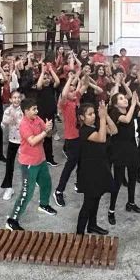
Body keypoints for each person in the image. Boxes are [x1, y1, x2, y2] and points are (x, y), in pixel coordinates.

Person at [5, 97, 57, 231]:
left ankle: (44, 205)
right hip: (29, 164)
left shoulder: (37, 119)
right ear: (26, 111)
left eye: (36, 108)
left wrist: (49, 128)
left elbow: (48, 134)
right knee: (27, 192)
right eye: (34, 109)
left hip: (41, 160)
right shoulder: (24, 124)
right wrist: (45, 132)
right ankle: (12, 220)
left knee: (46, 183)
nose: (36, 111)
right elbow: (32, 141)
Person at [76, 102, 114, 235]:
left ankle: (92, 225)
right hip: (89, 172)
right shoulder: (84, 130)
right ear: (82, 117)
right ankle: (79, 233)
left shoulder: (97, 126)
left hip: (100, 168)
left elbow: (114, 130)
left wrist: (106, 115)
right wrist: (102, 119)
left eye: (94, 113)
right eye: (89, 114)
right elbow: (102, 138)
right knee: (88, 203)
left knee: (97, 198)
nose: (93, 116)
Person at [108, 91, 140, 225]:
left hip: (132, 148)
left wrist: (137, 102)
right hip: (119, 150)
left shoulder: (130, 110)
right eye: (121, 99)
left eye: (125, 98)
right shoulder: (115, 113)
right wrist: (133, 104)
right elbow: (127, 120)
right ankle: (111, 210)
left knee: (133, 178)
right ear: (115, 104)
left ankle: (131, 203)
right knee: (117, 182)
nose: (125, 100)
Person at [54, 72, 84, 207]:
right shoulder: (64, 103)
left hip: (80, 136)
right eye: (71, 91)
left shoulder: (76, 101)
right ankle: (59, 191)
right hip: (71, 138)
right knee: (70, 165)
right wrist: (71, 78)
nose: (74, 92)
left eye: (74, 90)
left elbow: (84, 85)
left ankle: (79, 183)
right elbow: (64, 94)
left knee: (81, 161)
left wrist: (82, 75)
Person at [0, 90, 23, 200]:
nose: (16, 99)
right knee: (9, 165)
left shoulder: (24, 110)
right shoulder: (8, 110)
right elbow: (3, 124)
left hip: (24, 141)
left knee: (28, 163)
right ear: (10, 99)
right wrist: (9, 119)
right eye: (14, 97)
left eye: (18, 97)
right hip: (12, 141)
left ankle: (33, 180)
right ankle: (8, 187)